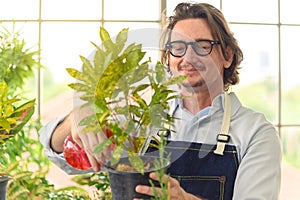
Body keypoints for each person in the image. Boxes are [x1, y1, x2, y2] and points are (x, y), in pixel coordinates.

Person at [39, 2, 282, 200]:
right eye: (177, 47)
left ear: (227, 55)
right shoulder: (140, 120)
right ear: (168, 57)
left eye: (202, 46)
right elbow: (57, 150)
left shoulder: (256, 133)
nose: (187, 57)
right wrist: (79, 117)